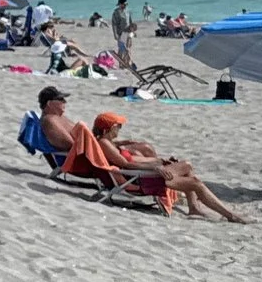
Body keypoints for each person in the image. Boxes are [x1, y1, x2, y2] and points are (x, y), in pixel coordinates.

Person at [38, 90, 245, 220]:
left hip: (139, 173)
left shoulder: (104, 142)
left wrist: (158, 161)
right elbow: (124, 166)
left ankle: (194, 207)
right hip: (137, 181)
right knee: (194, 181)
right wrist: (155, 167)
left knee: (188, 168)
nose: (64, 102)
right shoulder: (102, 143)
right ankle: (230, 215)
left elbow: (130, 159)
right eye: (117, 127)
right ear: (109, 129)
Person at [109, 0, 135, 70]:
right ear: (120, 4)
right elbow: (114, 24)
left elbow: (130, 22)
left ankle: (128, 63)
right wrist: (115, 34)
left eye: (126, 4)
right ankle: (121, 63)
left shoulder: (128, 12)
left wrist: (133, 31)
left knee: (129, 48)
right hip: (121, 33)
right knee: (122, 49)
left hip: (129, 32)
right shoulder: (116, 13)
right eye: (124, 4)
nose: (125, 5)